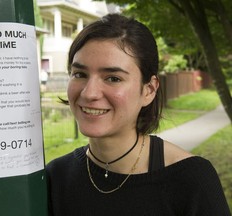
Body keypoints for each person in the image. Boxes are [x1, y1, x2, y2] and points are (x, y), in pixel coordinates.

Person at [46, 13, 231, 215]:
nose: (89, 93)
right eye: (80, 74)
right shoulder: (54, 178)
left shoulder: (192, 180)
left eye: (113, 78)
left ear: (149, 90)